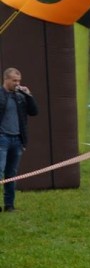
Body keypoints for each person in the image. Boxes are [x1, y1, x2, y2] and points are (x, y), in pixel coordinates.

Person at [0, 68, 38, 212]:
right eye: (14, 81)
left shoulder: (20, 97)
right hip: (2, 139)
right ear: (6, 80)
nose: (17, 84)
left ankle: (9, 205)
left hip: (17, 140)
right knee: (0, 171)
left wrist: (28, 95)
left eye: (19, 81)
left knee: (12, 173)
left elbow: (34, 112)